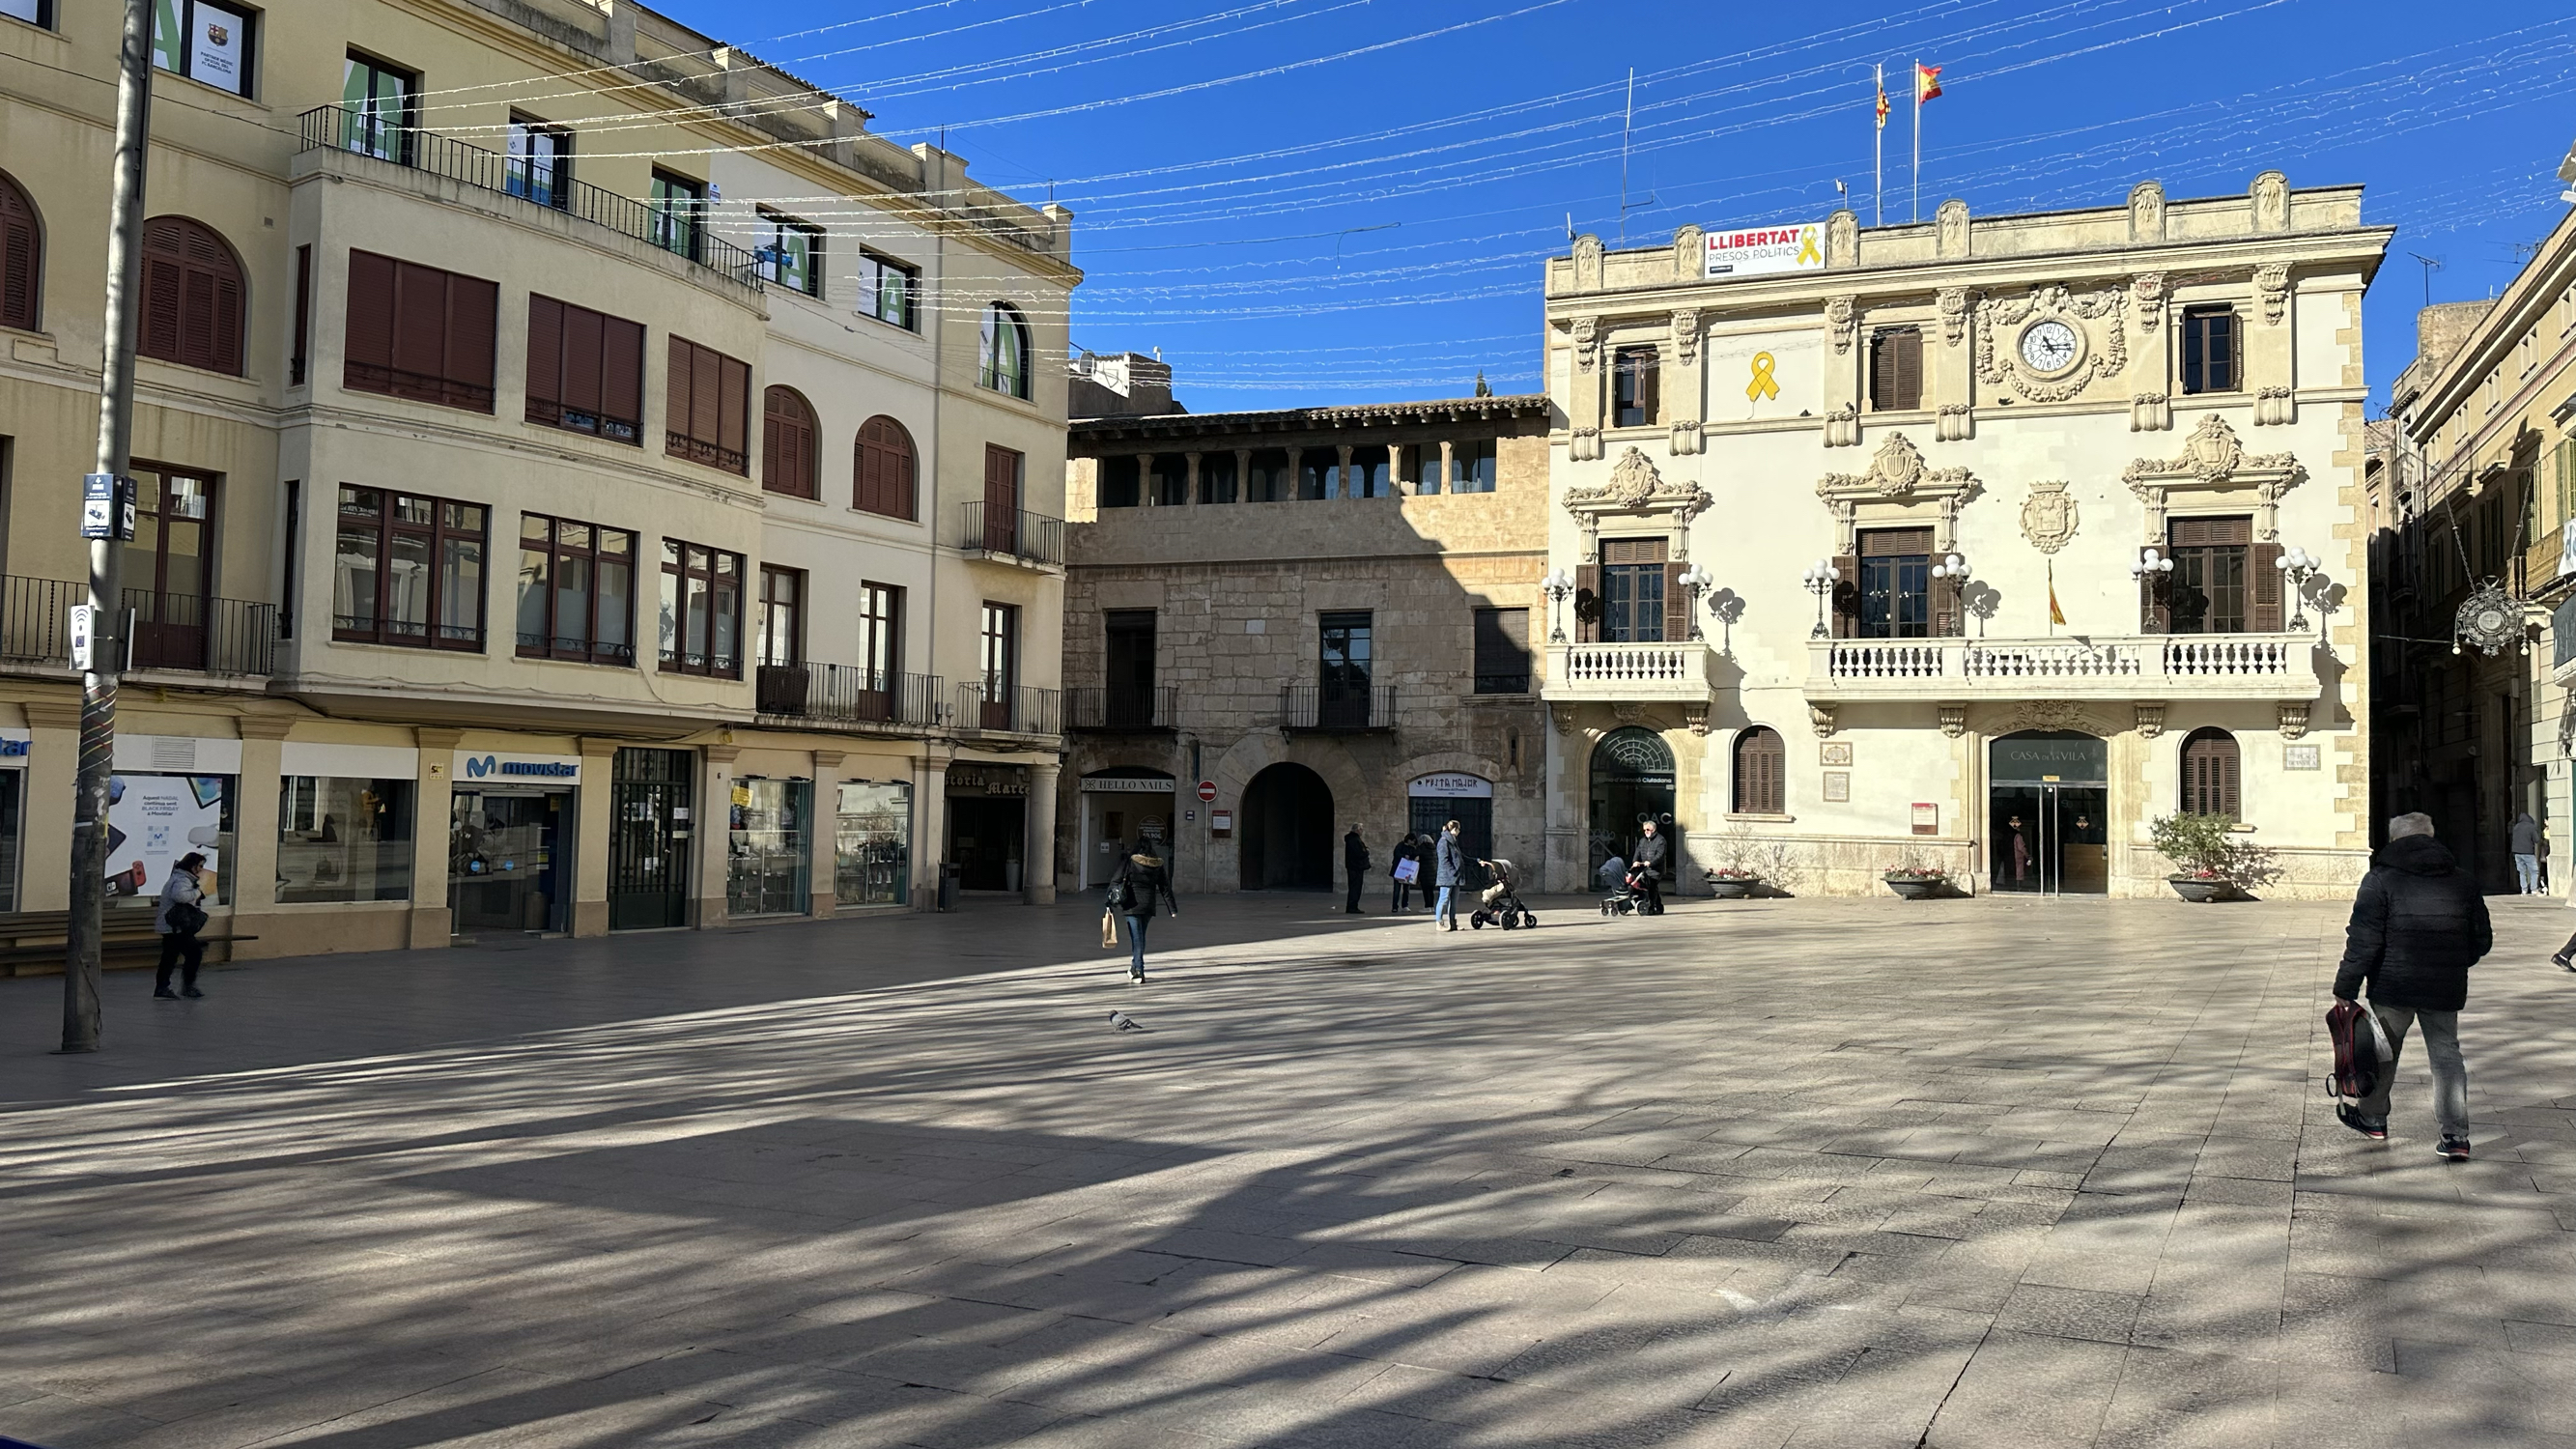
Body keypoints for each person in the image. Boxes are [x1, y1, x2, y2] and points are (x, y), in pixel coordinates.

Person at [2333, 812, 2490, 1160]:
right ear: (2431, 837)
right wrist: (2452, 963)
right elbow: (2482, 939)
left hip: (2393, 983)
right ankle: (2455, 1136)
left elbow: (2363, 939)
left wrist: (2346, 986)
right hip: (2443, 986)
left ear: (2394, 840)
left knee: (2384, 1051)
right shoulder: (2462, 881)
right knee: (2447, 1056)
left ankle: (2373, 1118)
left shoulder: (2380, 879)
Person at [1107, 839, 1178, 985]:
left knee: (1137, 938)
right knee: (1140, 937)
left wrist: (1110, 900)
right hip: (1148, 906)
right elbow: (1165, 888)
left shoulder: (1129, 862)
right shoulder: (1157, 865)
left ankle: (1139, 970)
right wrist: (1172, 909)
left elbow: (1115, 881)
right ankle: (1134, 967)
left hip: (1131, 905)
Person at [153, 852, 210, 1000]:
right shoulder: (182, 879)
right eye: (200, 866)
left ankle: (163, 987)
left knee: (170, 957)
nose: (201, 869)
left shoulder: (180, 877)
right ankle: (186, 987)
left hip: (172, 926)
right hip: (175, 927)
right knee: (194, 953)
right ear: (192, 866)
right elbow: (180, 896)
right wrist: (197, 892)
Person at [1432, 820, 1464, 931]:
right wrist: (1453, 872)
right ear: (1454, 829)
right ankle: (1439, 923)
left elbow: (1461, 857)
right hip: (1447, 877)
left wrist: (1477, 861)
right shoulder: (1443, 842)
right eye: (1459, 829)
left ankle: (1452, 923)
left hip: (1455, 877)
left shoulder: (1453, 842)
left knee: (1453, 901)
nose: (1459, 832)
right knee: (1444, 899)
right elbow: (1444, 860)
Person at [1633, 818, 1668, 916]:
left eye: (1648, 830)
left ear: (1653, 830)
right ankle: (1658, 906)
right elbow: (1638, 852)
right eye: (1644, 830)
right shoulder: (1642, 841)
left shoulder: (1660, 840)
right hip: (1644, 869)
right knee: (1649, 887)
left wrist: (1651, 862)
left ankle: (1651, 907)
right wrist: (1635, 861)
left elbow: (1660, 855)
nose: (1646, 832)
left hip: (1656, 870)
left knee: (1652, 886)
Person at [2509, 810, 2542, 895]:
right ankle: (2534, 889)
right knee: (2534, 871)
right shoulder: (2531, 827)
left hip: (2517, 853)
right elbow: (2537, 840)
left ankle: (2524, 889)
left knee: (2522, 872)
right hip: (2528, 852)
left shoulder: (2516, 827)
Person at [1390, 833, 1420, 914]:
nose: (1412, 842)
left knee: (1406, 889)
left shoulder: (1413, 847)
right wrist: (1404, 856)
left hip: (1407, 871)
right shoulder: (1400, 845)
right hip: (1398, 870)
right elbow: (1396, 854)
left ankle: (1405, 905)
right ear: (1408, 839)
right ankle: (1395, 906)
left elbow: (1415, 854)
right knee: (1397, 889)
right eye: (1411, 840)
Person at [1343, 824, 1369, 915]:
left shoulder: (1351, 839)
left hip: (1353, 866)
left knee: (1354, 887)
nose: (1362, 831)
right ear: (1357, 830)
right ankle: (1352, 906)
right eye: (1361, 829)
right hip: (1356, 866)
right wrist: (1366, 852)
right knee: (1355, 887)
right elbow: (1359, 853)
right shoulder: (1354, 840)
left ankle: (1352, 906)